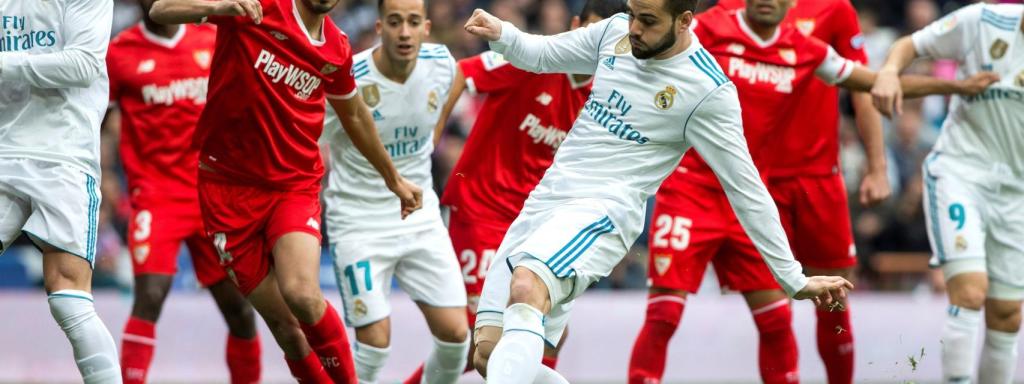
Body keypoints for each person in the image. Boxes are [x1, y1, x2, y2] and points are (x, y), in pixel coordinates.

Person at [461, 1, 859, 382]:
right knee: (489, 355)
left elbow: (747, 190)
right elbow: (544, 54)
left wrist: (793, 278)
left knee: (527, 284)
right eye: (632, 14)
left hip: (603, 213)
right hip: (544, 201)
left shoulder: (707, 91)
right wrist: (503, 33)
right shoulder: (615, 33)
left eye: (648, 21)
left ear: (684, 21)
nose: (634, 28)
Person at [626, 1, 999, 383]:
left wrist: (956, 87)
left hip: (750, 198)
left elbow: (873, 82)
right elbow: (650, 41)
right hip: (691, 188)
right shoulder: (710, 26)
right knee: (664, 314)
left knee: (778, 319)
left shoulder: (805, 48)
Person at [149, 0, 423, 381]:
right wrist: (220, 6)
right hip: (225, 190)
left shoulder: (336, 49)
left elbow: (355, 114)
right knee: (288, 332)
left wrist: (393, 178)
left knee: (302, 294)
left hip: (293, 185)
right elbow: (160, 9)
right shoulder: (258, 8)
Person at [402, 2, 628, 382]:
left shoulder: (603, 96)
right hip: (481, 210)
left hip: (532, 222)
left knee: (544, 333)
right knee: (477, 336)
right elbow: (462, 72)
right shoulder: (535, 60)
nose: (595, 45)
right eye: (591, 31)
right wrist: (428, 145)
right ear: (576, 25)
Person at [105, 1, 261, 382]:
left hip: (210, 195)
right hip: (155, 196)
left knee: (240, 310)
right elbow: (96, 119)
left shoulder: (210, 37)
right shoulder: (118, 53)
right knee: (150, 295)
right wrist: (103, 173)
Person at [872, 2, 1024, 383]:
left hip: (1016, 194)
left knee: (1007, 314)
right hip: (961, 174)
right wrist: (889, 72)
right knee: (970, 293)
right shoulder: (982, 21)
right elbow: (910, 45)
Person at [320, 0, 468, 382]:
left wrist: (432, 139)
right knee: (375, 343)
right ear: (379, 27)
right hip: (358, 220)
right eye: (395, 22)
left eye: (413, 22)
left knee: (457, 337)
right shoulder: (349, 77)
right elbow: (308, 136)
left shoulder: (441, 63)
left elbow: (456, 81)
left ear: (426, 28)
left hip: (419, 216)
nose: (404, 33)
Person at [0, 1, 121, 382]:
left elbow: (83, 64)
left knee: (67, 296)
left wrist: (4, 63)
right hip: (4, 149)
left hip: (63, 152)